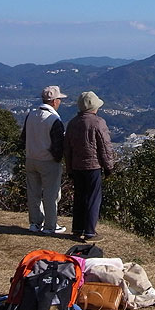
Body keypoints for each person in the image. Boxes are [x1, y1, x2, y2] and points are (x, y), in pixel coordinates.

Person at [64, 90, 115, 242]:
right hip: (93, 166)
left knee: (79, 197)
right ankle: (90, 232)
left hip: (76, 166)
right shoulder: (98, 122)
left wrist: (69, 168)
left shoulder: (72, 123)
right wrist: (109, 167)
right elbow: (105, 147)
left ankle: (77, 228)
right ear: (94, 107)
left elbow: (67, 148)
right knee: (93, 198)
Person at [20, 85, 68, 235]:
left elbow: (23, 138)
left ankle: (35, 223)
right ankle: (50, 225)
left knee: (33, 193)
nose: (60, 102)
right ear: (54, 101)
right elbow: (58, 145)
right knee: (51, 194)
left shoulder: (31, 115)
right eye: (59, 99)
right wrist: (58, 159)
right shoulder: (54, 119)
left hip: (31, 159)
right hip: (48, 161)